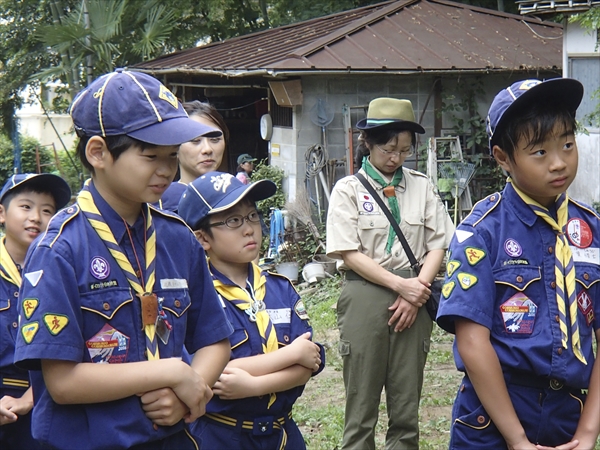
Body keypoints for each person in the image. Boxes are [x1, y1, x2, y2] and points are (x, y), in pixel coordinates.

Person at [13, 69, 233, 450]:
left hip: (174, 438)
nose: (166, 170)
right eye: (151, 156)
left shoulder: (177, 237)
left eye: (170, 156)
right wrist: (169, 371)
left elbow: (215, 339)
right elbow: (62, 384)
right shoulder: (60, 249)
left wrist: (188, 390)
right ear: (98, 152)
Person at [436, 78, 600, 449]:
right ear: (503, 158)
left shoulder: (591, 230)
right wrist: (517, 439)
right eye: (539, 152)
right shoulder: (481, 233)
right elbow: (472, 342)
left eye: (568, 145)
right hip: (493, 418)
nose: (559, 162)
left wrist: (588, 432)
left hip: (569, 416)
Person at [326, 98, 454, 449]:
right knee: (361, 404)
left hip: (416, 290)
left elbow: (438, 244)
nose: (395, 157)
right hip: (366, 294)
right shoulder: (348, 190)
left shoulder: (421, 186)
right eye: (388, 147)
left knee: (406, 403)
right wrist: (402, 287)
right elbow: (349, 252)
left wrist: (418, 290)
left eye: (404, 150)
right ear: (368, 142)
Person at [178, 171, 325, 449]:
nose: (249, 229)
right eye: (233, 220)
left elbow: (309, 363)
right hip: (222, 437)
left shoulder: (281, 289)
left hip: (282, 436)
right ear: (202, 239)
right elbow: (211, 374)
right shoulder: (193, 299)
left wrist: (253, 385)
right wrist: (289, 354)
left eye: (252, 216)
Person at [0, 173, 70, 450]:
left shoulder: (60, 270)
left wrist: (29, 399)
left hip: (47, 401)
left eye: (47, 210)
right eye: (26, 207)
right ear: (2, 213)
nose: (36, 217)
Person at [158, 100, 229, 211]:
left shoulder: (236, 195)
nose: (207, 149)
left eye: (215, 140)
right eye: (195, 140)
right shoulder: (161, 204)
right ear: (173, 147)